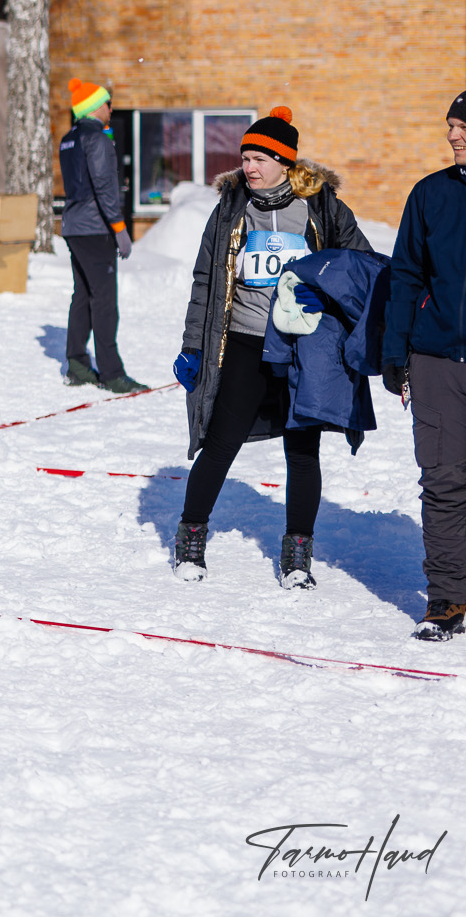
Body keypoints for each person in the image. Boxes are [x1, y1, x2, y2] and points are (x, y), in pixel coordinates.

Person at [169, 107, 372, 587]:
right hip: (243, 341)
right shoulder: (231, 209)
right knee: (220, 442)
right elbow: (205, 281)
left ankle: (297, 555)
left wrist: (325, 291)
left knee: (302, 451)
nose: (249, 167)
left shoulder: (322, 207)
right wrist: (193, 345)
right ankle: (191, 538)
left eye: (259, 158)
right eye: (245, 158)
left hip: (304, 347)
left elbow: (360, 265)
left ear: (285, 162)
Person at [382, 87, 466, 640]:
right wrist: (395, 351)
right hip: (436, 362)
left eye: (465, 127)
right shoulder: (429, 193)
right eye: (450, 125)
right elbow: (405, 276)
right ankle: (445, 601)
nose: (453, 135)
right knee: (443, 486)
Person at [59, 78, 146, 392]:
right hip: (95, 229)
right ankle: (112, 374)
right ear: (96, 106)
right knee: (105, 302)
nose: (111, 110)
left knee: (82, 296)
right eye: (108, 104)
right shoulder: (98, 139)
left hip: (74, 226)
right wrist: (119, 228)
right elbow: (105, 187)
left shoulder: (69, 139)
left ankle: (78, 365)